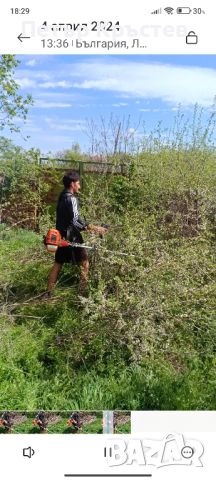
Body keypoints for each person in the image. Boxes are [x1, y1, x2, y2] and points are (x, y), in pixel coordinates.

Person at [43, 170, 107, 298]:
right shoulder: (71, 199)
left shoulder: (62, 196)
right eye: (78, 183)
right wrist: (95, 229)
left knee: (58, 264)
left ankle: (48, 293)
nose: (79, 186)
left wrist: (90, 228)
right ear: (72, 184)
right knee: (85, 264)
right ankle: (82, 295)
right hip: (72, 237)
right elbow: (75, 220)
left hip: (60, 236)